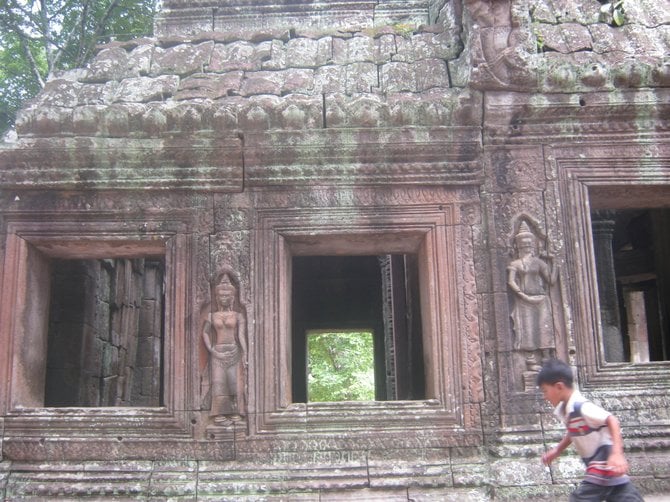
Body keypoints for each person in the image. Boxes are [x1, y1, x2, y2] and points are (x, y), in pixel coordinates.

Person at [537, 359, 644, 501]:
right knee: (625, 496)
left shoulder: (581, 406)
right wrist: (558, 450)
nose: (544, 396)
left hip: (603, 464)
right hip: (606, 468)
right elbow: (574, 430)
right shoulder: (567, 410)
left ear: (559, 387)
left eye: (545, 391)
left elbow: (611, 420)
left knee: (581, 499)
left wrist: (617, 454)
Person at [202, 272, 247, 424]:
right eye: (221, 296)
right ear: (216, 297)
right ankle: (219, 414)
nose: (224, 298)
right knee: (219, 383)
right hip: (217, 352)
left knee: (234, 384)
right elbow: (205, 333)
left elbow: (241, 336)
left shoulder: (238, 315)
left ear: (233, 297)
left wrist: (245, 353)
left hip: (234, 351)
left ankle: (236, 412)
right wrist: (211, 349)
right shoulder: (211, 316)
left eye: (227, 296)